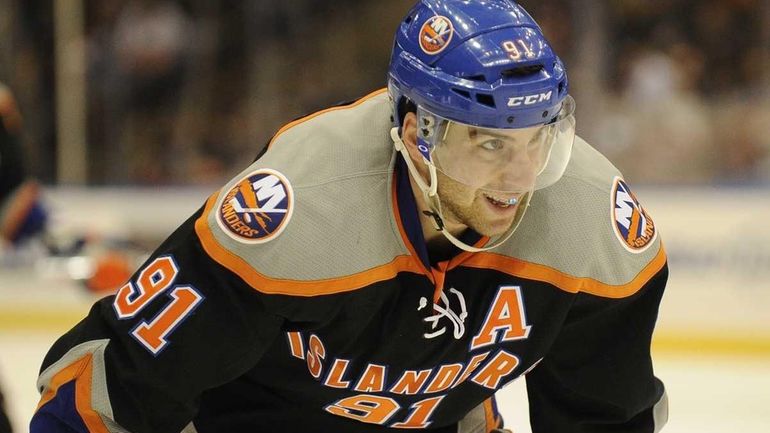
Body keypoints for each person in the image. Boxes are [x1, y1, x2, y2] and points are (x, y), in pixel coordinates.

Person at [30, 1, 668, 432]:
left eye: (539, 138)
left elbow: (607, 415)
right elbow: (116, 390)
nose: (524, 177)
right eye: (491, 143)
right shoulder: (298, 209)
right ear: (418, 133)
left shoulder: (591, 224)